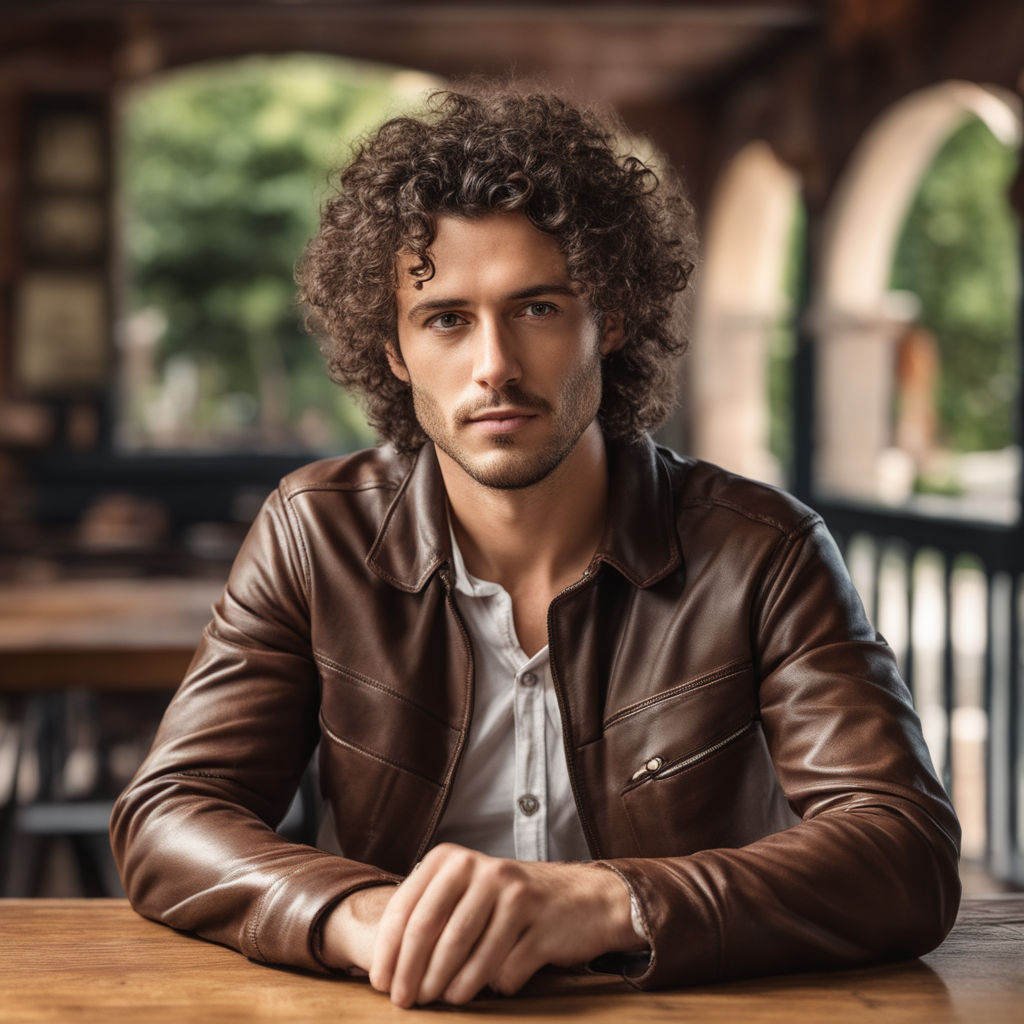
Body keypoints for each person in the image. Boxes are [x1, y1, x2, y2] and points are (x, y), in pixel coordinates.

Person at [110, 89, 960, 1009]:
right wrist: (363, 919)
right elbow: (169, 815)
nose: (493, 367)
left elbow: (902, 847)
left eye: (539, 308)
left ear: (614, 318)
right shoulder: (314, 534)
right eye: (445, 319)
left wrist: (603, 902)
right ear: (392, 349)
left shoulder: (765, 552)